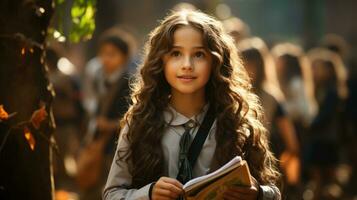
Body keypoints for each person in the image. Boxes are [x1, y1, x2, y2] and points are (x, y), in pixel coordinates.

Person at [103, 10, 281, 200]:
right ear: (160, 60)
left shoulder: (237, 123)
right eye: (176, 53)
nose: (187, 64)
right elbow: (111, 194)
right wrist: (147, 194)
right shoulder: (139, 123)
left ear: (215, 61)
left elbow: (274, 192)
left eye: (199, 55)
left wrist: (258, 194)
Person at [238, 38, 300, 199]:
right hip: (235, 162)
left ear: (260, 66)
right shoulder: (232, 95)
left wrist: (283, 168)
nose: (246, 69)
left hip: (265, 163)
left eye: (250, 64)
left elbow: (291, 142)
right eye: (242, 63)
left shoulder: (272, 97)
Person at [76, 27, 134, 200]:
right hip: (100, 145)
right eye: (103, 53)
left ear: (124, 57)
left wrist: (109, 124)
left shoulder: (130, 83)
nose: (106, 59)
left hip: (118, 149)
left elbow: (135, 118)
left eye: (112, 54)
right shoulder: (101, 79)